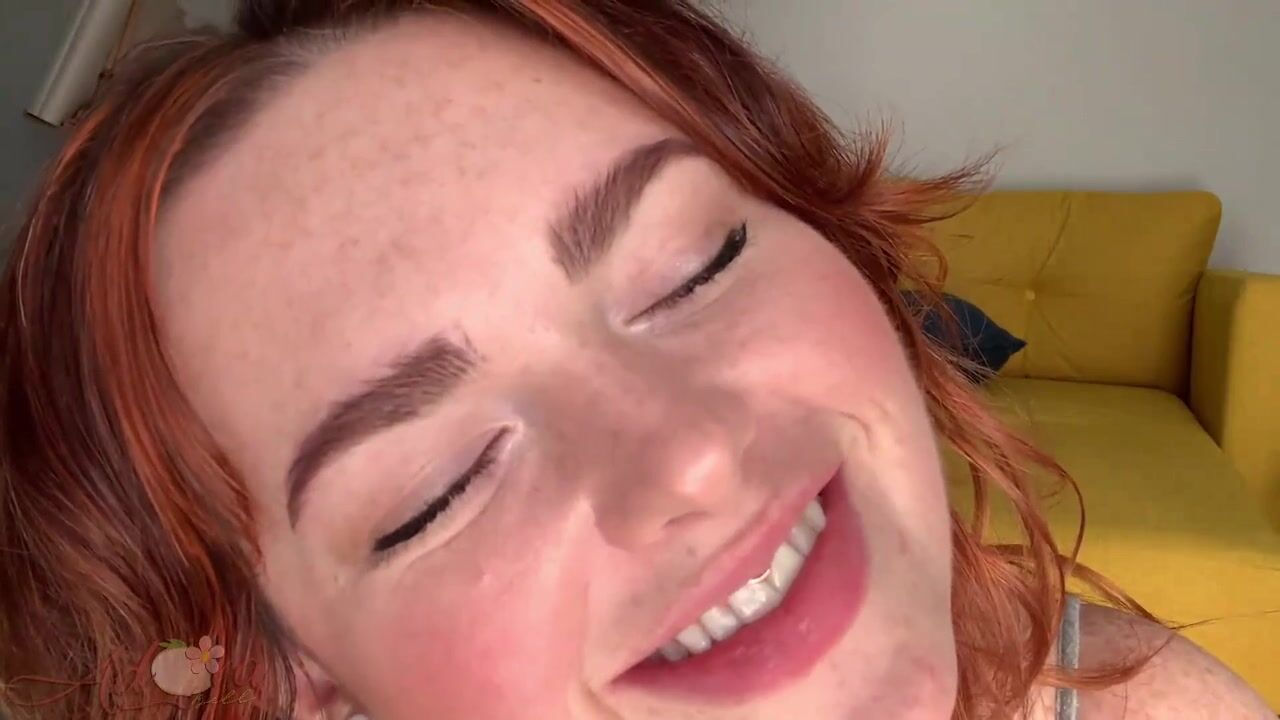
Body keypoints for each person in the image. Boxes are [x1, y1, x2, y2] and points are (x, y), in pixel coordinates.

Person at [0, 1, 1270, 718]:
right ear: (292, 678)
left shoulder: (1131, 695)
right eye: (441, 487)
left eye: (694, 266)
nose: (690, 455)